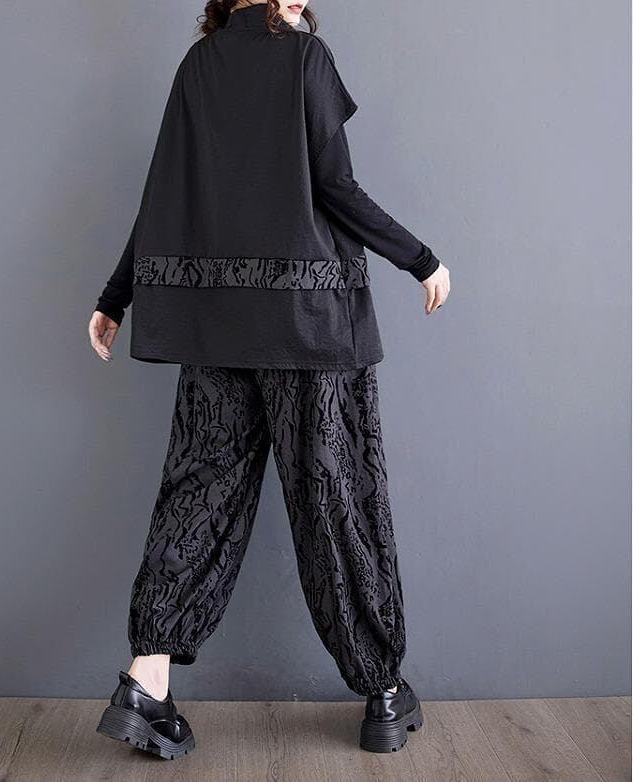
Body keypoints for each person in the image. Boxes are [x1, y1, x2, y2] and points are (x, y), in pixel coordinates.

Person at [88, 0, 450, 761]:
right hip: (308, 327)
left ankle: (147, 681)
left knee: (198, 496)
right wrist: (419, 257)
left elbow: (162, 195)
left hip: (217, 328)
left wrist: (115, 297)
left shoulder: (198, 66)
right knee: (334, 498)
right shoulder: (305, 58)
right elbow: (336, 186)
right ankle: (383, 691)